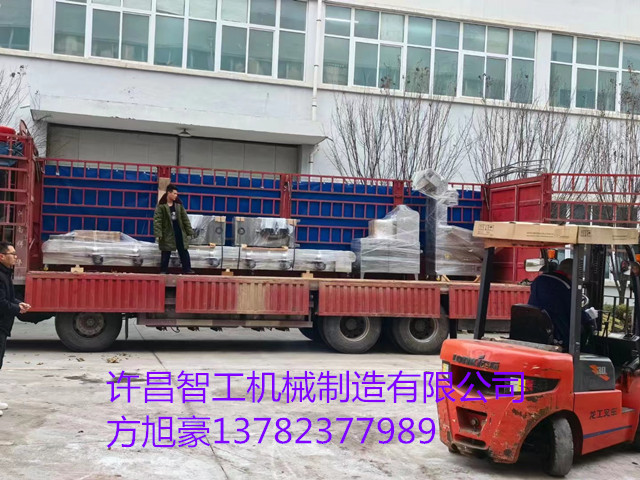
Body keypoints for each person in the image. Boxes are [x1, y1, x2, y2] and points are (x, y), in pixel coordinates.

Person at [528, 258, 595, 349]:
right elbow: (574, 312)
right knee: (586, 328)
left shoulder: (539, 280)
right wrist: (589, 316)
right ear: (573, 273)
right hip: (557, 331)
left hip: (535, 325)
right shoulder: (565, 286)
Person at [0, 242, 31, 417]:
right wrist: (16, 309)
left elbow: (8, 298)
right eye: (12, 254)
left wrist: (19, 303)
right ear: (2, 256)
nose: (15, 257)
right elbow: (1, 303)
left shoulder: (5, 273)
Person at [153, 184, 195, 274]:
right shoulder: (161, 206)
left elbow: (185, 219)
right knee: (166, 251)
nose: (176, 195)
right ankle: (163, 270)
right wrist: (158, 234)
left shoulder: (179, 205)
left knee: (183, 251)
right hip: (167, 232)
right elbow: (157, 221)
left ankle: (187, 269)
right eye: (174, 193)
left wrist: (189, 231)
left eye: (176, 194)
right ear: (169, 193)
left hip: (179, 231)